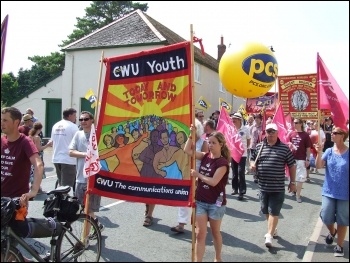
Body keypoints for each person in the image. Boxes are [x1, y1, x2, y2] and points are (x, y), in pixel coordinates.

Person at [1, 107, 44, 260]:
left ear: (16, 122)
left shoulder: (24, 142)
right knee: (7, 251)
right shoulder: (2, 140)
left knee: (7, 251)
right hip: (1, 201)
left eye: (5, 120)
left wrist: (33, 191)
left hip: (16, 202)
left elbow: (38, 164)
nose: (2, 123)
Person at [184, 130, 230, 262]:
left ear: (221, 144)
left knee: (215, 233)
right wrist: (190, 135)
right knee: (200, 234)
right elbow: (187, 151)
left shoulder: (223, 163)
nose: (210, 145)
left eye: (213, 143)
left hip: (216, 203)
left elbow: (214, 182)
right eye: (209, 142)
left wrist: (198, 175)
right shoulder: (205, 156)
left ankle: (218, 257)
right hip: (201, 201)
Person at [250, 123, 296, 248]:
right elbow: (252, 158)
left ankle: (269, 234)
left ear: (277, 133)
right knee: (266, 210)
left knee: (274, 212)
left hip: (277, 187)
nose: (270, 134)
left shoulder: (284, 148)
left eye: (273, 131)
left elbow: (292, 165)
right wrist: (252, 164)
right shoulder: (260, 146)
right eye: (268, 131)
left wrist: (293, 182)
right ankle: (273, 228)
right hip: (263, 186)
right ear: (265, 132)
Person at [69, 111, 105, 237]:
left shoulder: (98, 135)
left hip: (94, 178)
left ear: (92, 120)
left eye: (86, 119)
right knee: (83, 209)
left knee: (89, 210)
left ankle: (85, 239)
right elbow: (71, 152)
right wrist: (86, 154)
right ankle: (97, 225)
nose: (83, 121)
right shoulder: (78, 134)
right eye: (81, 119)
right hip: (80, 178)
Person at [315, 127, 349, 257]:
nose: (332, 134)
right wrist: (318, 152)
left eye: (335, 133)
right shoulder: (328, 151)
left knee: (342, 219)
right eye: (332, 132)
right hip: (329, 191)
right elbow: (319, 166)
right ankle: (332, 231)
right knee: (326, 215)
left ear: (342, 135)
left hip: (345, 193)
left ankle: (339, 246)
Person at [171, 118, 208, 233]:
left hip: (198, 173)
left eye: (194, 128)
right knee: (184, 197)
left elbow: (205, 160)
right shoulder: (187, 141)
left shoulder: (204, 143)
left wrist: (199, 176)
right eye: (190, 128)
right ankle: (181, 224)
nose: (191, 130)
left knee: (198, 200)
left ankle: (199, 222)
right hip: (186, 173)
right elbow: (184, 152)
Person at [51, 108, 79, 194]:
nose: (76, 117)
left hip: (56, 158)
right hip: (68, 159)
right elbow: (78, 142)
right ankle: (65, 205)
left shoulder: (55, 125)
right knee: (67, 187)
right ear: (70, 116)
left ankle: (60, 203)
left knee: (61, 184)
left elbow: (52, 142)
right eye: (74, 115)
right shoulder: (73, 127)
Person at [288, 118, 312, 203]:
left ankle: (298, 195)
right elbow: (287, 143)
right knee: (292, 177)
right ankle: (294, 190)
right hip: (291, 158)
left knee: (301, 177)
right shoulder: (291, 133)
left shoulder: (305, 135)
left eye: (297, 122)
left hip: (301, 159)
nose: (295, 124)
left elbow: (308, 148)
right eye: (294, 122)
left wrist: (308, 159)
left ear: (301, 124)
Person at [230, 112, 251, 200]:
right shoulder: (231, 129)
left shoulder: (246, 129)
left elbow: (248, 140)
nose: (233, 120)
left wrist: (245, 149)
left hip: (242, 154)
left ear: (239, 120)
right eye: (232, 119)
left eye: (234, 119)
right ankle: (235, 188)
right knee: (234, 172)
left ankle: (242, 191)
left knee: (240, 172)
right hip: (233, 154)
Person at [28, 121, 51, 194]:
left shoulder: (30, 136)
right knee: (38, 171)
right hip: (38, 156)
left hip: (31, 156)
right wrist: (48, 145)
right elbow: (38, 148)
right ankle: (37, 188)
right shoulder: (37, 137)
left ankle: (35, 187)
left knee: (32, 171)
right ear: (40, 129)